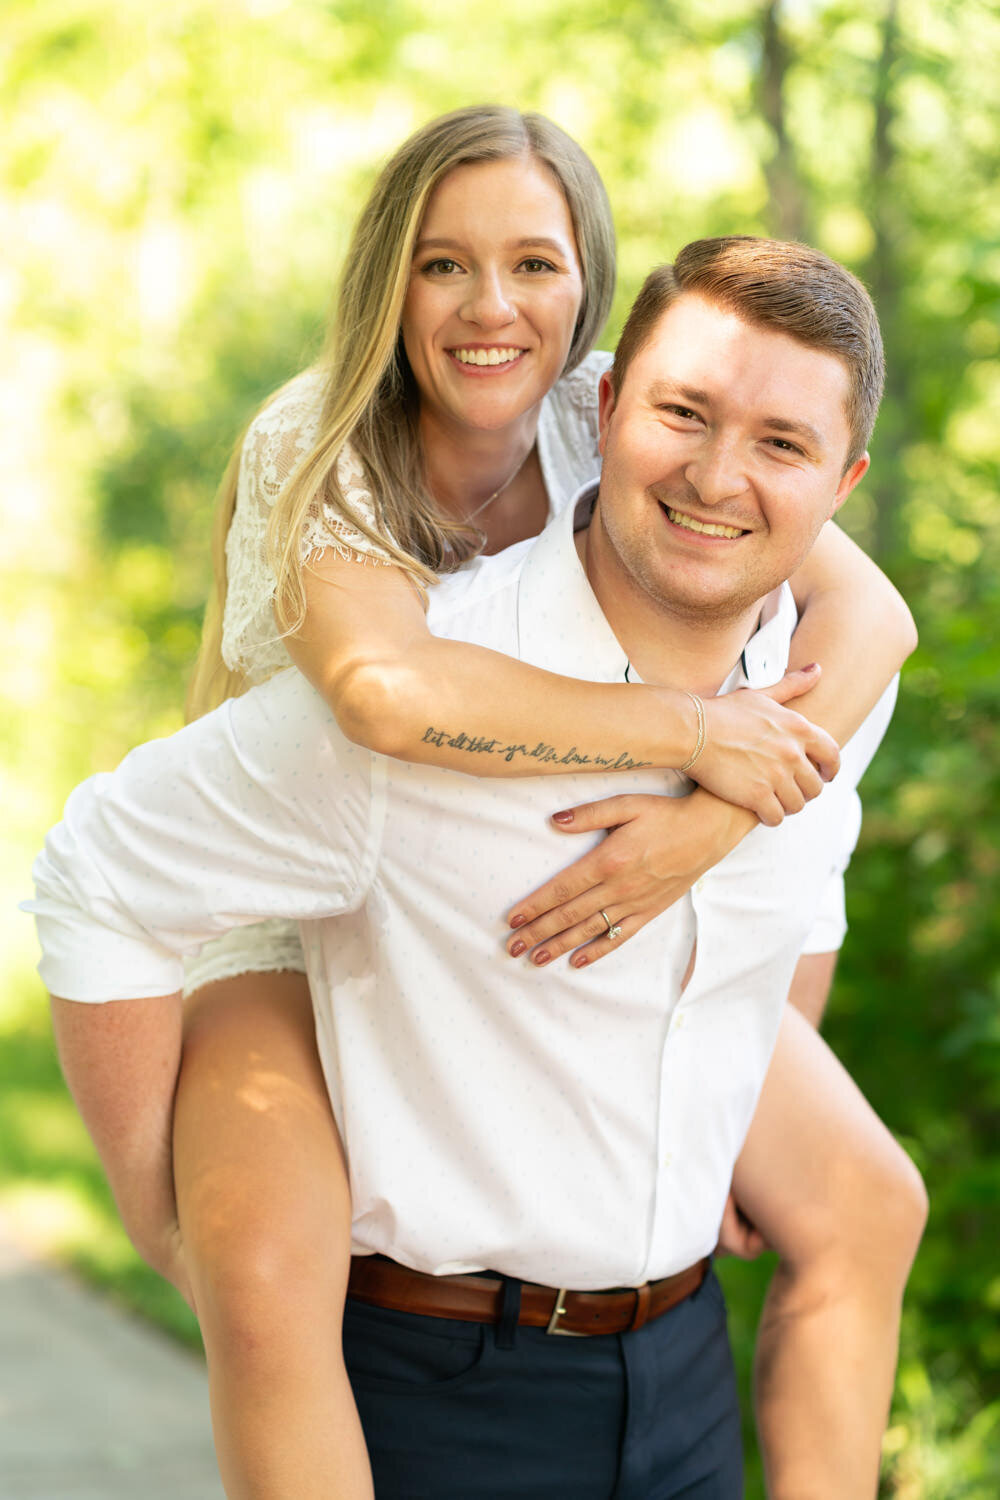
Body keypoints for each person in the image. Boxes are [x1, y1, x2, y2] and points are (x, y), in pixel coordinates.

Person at [31, 235, 926, 1499]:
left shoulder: (834, 689)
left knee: (878, 1203)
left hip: (682, 1383)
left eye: (781, 444)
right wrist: (149, 1202)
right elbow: (97, 875)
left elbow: (792, 906)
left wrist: (729, 1120)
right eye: (683, 413)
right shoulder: (421, 709)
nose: (720, 475)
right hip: (448, 1398)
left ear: (844, 483)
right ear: (605, 409)